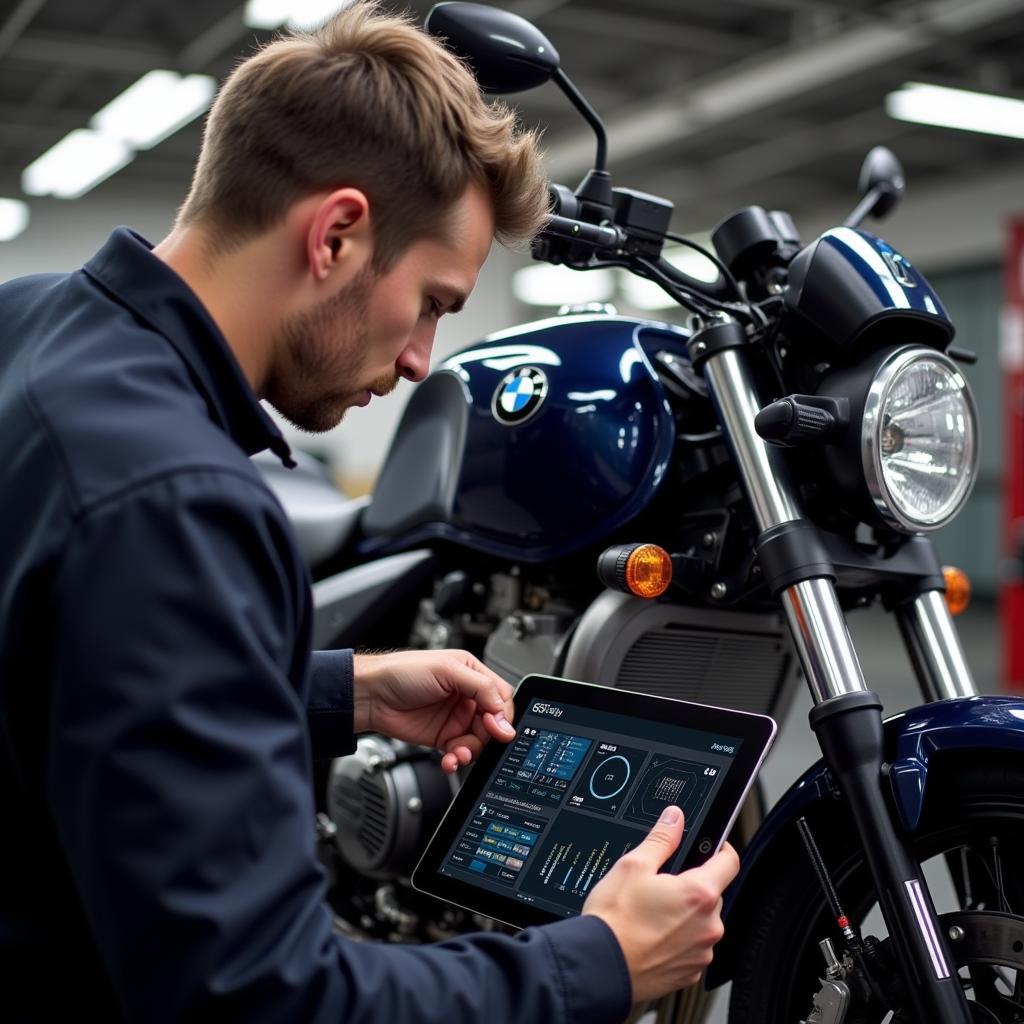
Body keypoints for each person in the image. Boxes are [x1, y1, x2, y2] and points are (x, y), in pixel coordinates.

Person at [0, 3, 739, 1021]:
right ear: (337, 234)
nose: (420, 361)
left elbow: (53, 663)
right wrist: (599, 960)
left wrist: (336, 689)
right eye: (433, 301)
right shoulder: (179, 502)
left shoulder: (29, 321)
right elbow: (265, 999)